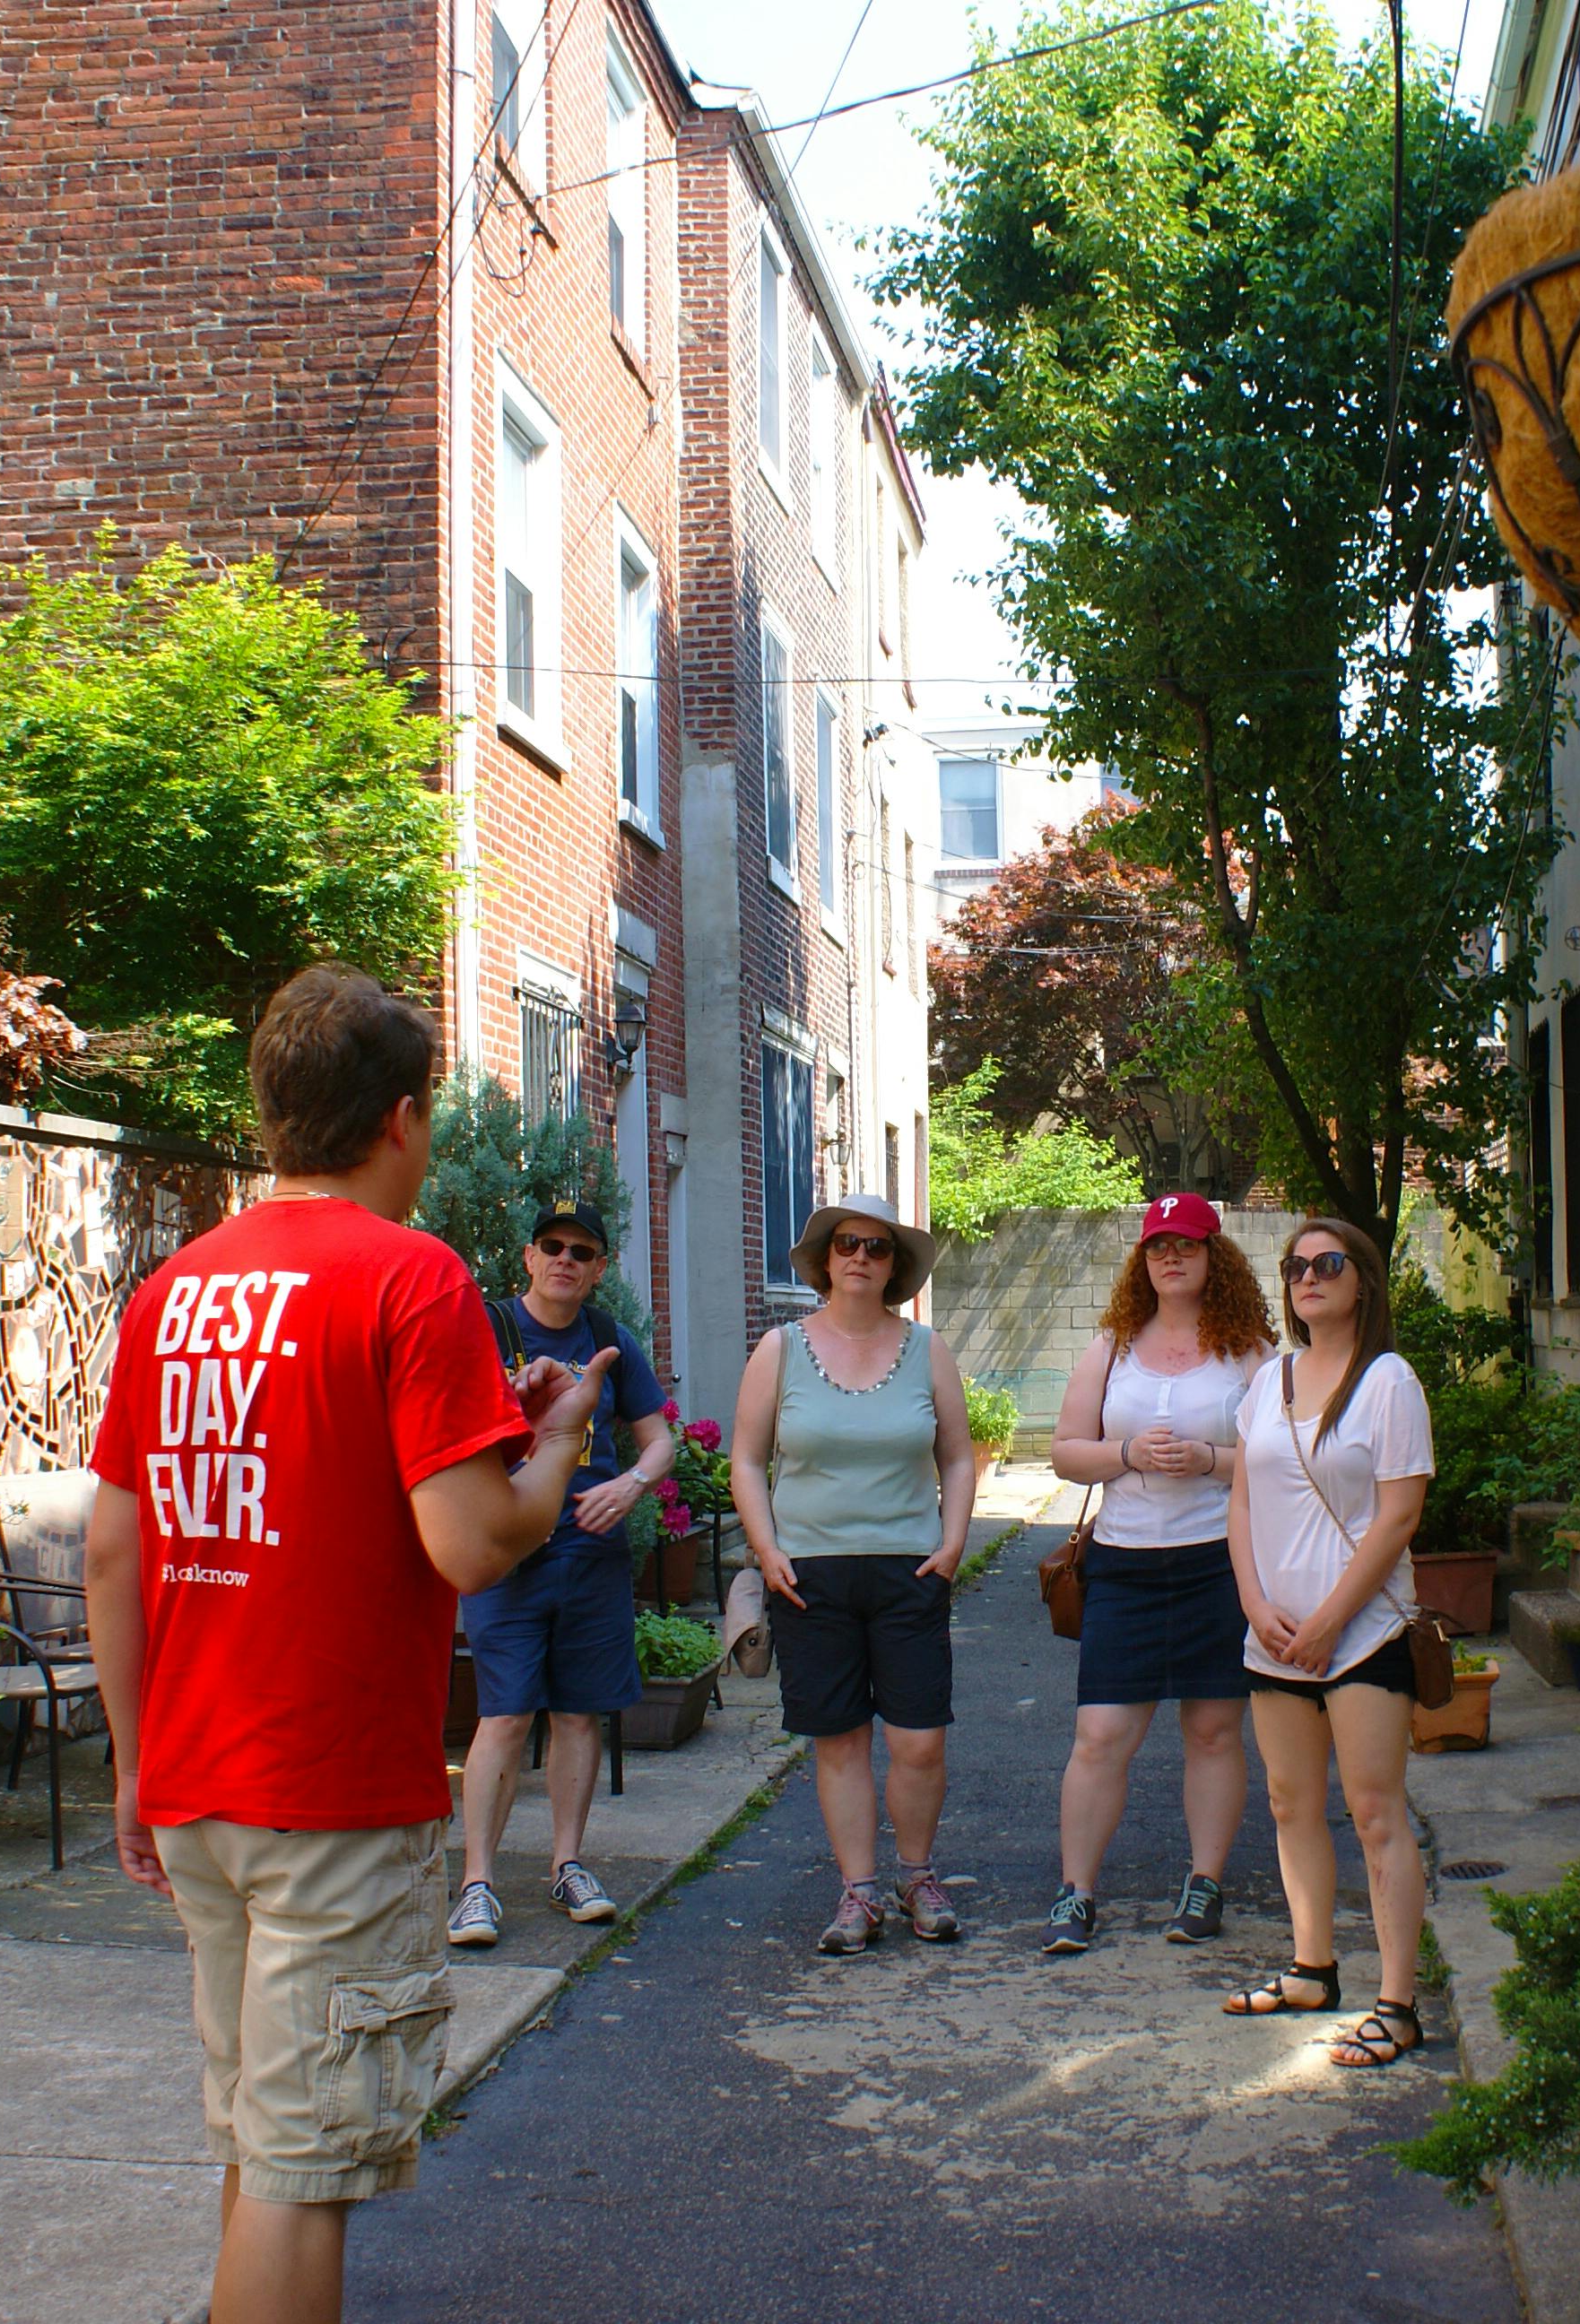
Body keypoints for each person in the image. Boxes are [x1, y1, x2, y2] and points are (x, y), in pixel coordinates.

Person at [84, 964, 616, 2324]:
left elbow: (113, 1546)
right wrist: (553, 1450)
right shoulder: (413, 1278)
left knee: (264, 2146)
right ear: (400, 1118)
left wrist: (132, 1769)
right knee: (304, 2174)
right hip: (330, 1795)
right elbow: (473, 1544)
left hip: (198, 1784)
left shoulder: (177, 1289)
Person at [729, 1192, 980, 1955]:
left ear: (894, 1264)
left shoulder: (927, 1348)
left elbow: (960, 1455)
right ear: (826, 1260)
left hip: (911, 1568)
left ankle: (917, 1876)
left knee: (919, 1741)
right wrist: (768, 1548)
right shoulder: (780, 1349)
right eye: (848, 1246)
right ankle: (859, 1892)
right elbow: (745, 1457)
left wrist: (954, 1540)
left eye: (877, 1248)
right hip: (810, 1575)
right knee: (838, 1741)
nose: (861, 1259)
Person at [1219, 1217, 1435, 2070]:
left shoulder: (1388, 1382)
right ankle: (1312, 1969)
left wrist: (1330, 1619)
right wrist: (1254, 1601)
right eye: (1296, 1266)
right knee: (1289, 1804)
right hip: (1274, 1637)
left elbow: (1401, 1514)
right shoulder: (1266, 1381)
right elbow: (1240, 1503)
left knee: (1376, 1812)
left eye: (1328, 1263)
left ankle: (1399, 2005)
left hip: (1362, 1636)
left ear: (1363, 1281)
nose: (1309, 1277)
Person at [1039, 1193, 1274, 1955]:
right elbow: (1067, 1449)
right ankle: (1076, 1893)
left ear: (1216, 1258)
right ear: (1142, 1262)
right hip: (1124, 1563)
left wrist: (1209, 1460)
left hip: (1217, 1560)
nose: (1171, 1256)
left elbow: (1280, 1463)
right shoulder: (1112, 1344)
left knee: (1211, 1731)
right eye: (1157, 1246)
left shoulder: (1251, 1352)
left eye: (1188, 1244)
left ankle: (1203, 1884)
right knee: (1101, 1734)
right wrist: (1129, 1455)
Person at [447, 1196, 675, 1944]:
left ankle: (567, 1864)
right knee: (505, 1714)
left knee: (579, 1711)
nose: (565, 1261)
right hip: (511, 1548)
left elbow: (659, 1440)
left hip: (589, 1549)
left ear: (600, 1268)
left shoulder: (610, 1339)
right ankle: (477, 1881)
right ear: (528, 1256)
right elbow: (445, 1428)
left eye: (582, 1252)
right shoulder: (489, 1329)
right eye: (552, 1246)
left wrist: (631, 1484)